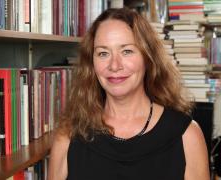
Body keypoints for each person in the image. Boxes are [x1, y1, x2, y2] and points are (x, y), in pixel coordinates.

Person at [48, 8, 209, 180]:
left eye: (126, 51)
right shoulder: (68, 135)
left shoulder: (187, 135)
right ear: (91, 63)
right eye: (103, 53)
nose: (114, 65)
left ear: (147, 58)